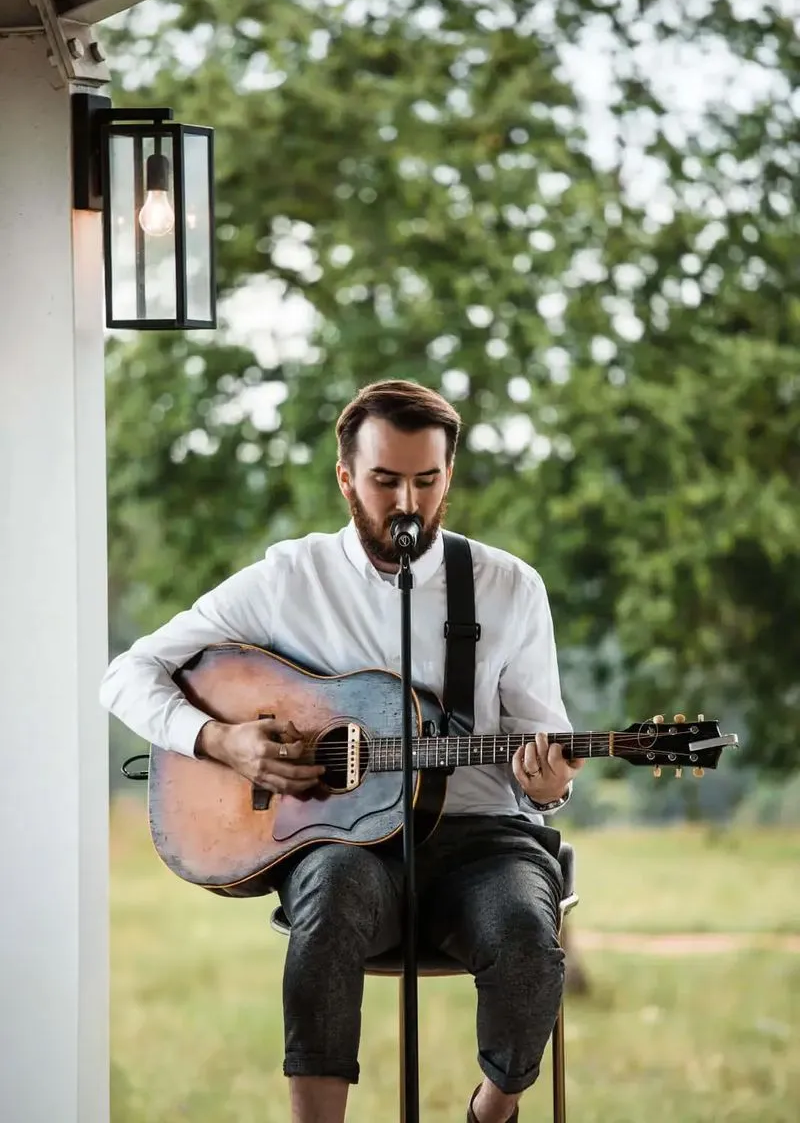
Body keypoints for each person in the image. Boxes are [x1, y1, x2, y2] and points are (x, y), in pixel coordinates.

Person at [100, 379, 584, 1123]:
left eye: (427, 481)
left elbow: (541, 750)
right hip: (344, 843)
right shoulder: (290, 579)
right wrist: (221, 738)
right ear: (346, 478)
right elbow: (127, 674)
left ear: (449, 474)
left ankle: (492, 1111)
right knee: (331, 898)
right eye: (385, 480)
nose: (407, 504)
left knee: (526, 936)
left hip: (483, 842)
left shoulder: (507, 588)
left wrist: (548, 785)